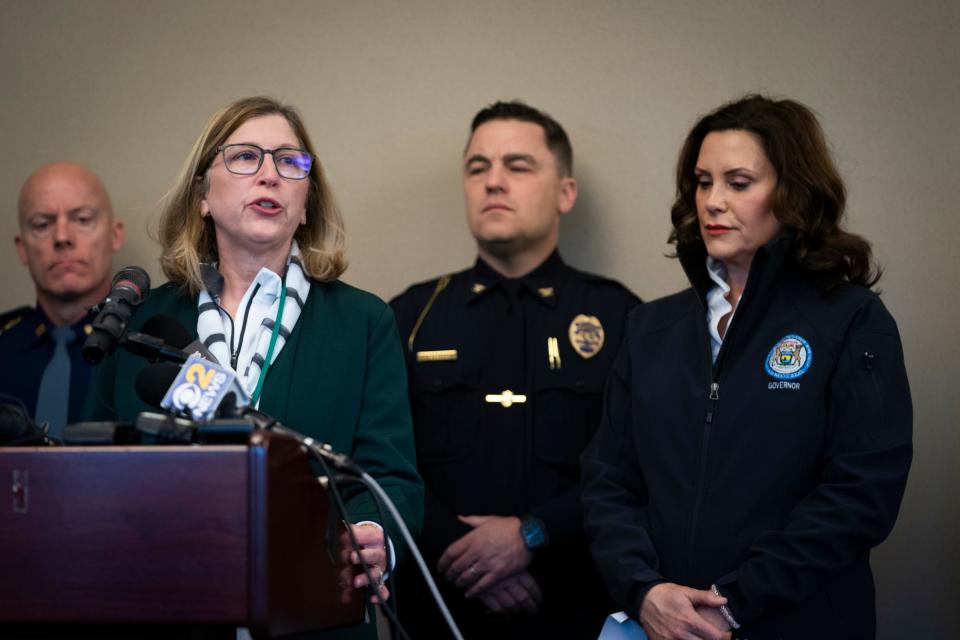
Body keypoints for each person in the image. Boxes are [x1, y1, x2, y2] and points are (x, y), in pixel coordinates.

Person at [85, 96, 423, 640]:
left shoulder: (363, 322)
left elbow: (392, 476)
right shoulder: (139, 323)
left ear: (307, 202)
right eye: (245, 157)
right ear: (202, 196)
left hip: (313, 618)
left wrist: (370, 532)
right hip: (162, 612)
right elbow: (91, 473)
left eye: (290, 162)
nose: (269, 174)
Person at [581, 95, 912, 640]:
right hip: (659, 625)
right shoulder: (649, 329)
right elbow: (608, 481)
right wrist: (644, 590)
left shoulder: (852, 319)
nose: (712, 201)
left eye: (738, 182)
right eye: (702, 181)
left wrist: (734, 603)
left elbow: (862, 494)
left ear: (792, 192)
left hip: (797, 623)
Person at [391, 101, 639, 638]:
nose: (493, 182)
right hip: (439, 607)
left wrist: (532, 535)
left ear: (565, 193)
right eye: (478, 168)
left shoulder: (623, 317)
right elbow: (385, 459)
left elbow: (637, 466)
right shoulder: (410, 315)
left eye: (518, 166)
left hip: (577, 606)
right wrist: (467, 556)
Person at [0, 162, 124, 438]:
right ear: (22, 249)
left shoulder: (141, 351)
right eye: (43, 224)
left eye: (82, 220)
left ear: (115, 235)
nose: (62, 237)